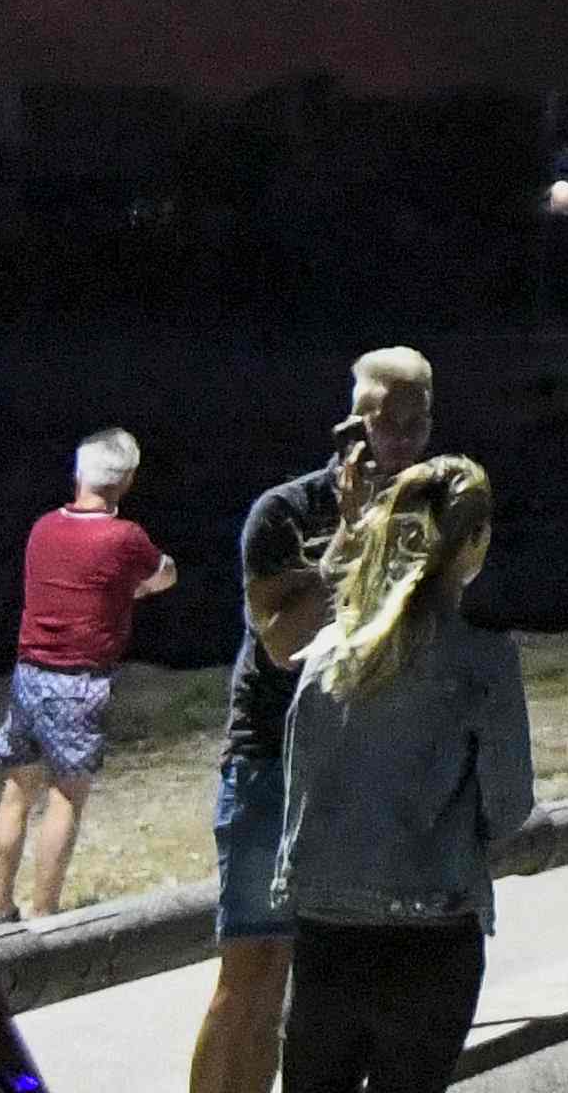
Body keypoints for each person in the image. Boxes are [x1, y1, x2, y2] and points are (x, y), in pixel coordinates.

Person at [196, 347, 437, 1093]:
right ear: (350, 423)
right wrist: (350, 538)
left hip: (362, 771)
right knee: (251, 979)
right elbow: (282, 643)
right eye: (380, 419)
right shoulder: (283, 512)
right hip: (272, 763)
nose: (396, 436)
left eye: (412, 420)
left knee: (321, 994)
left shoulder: (431, 512)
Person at [269, 451, 535, 1093]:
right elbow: (508, 806)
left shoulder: (325, 654)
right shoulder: (483, 662)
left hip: (327, 928)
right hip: (433, 929)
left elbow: (298, 785)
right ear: (473, 544)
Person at [0, 426, 179, 924]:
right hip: (78, 681)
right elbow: (162, 574)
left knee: (16, 792)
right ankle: (46, 915)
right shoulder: (124, 537)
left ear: (79, 473)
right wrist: (134, 589)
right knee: (66, 797)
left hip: (28, 673)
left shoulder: (43, 527)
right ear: (127, 480)